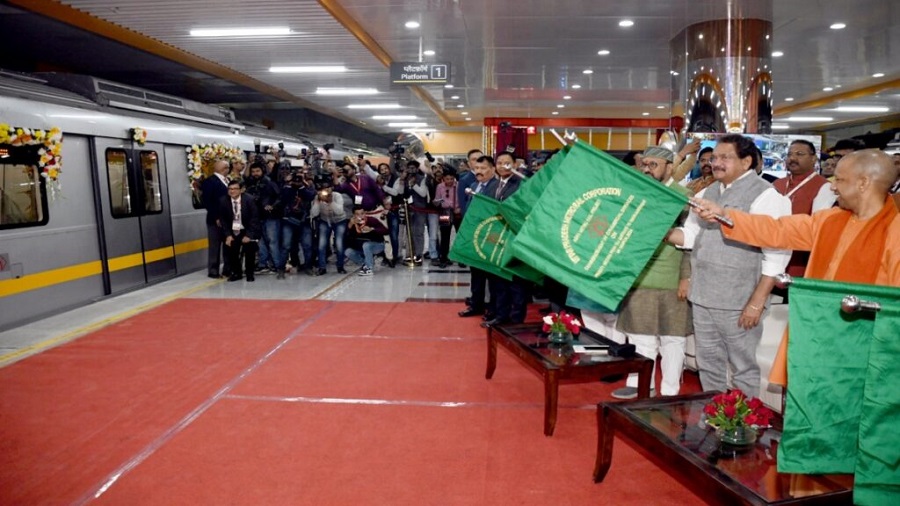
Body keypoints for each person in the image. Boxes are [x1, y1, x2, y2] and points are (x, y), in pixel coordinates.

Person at [691, 149, 900, 387]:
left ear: (863, 183)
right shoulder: (830, 220)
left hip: (866, 346)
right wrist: (725, 215)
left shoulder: (894, 231)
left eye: (840, 180)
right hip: (819, 331)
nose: (832, 187)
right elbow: (777, 230)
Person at [666, 134, 791, 397]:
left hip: (739, 299)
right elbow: (690, 237)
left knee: (742, 366)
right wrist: (661, 232)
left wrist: (757, 301)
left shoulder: (767, 196)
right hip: (703, 295)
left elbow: (777, 255)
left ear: (746, 162)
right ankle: (715, 416)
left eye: (725, 157)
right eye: (714, 158)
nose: (717, 163)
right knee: (708, 363)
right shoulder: (706, 191)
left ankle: (744, 425)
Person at [612, 146, 693, 399]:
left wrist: (686, 277)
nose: (646, 169)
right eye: (644, 164)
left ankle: (670, 392)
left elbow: (693, 243)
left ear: (670, 167)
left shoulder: (684, 197)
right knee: (639, 335)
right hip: (640, 276)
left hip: (672, 277)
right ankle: (639, 386)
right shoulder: (635, 194)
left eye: (653, 165)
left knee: (672, 339)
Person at [773, 140, 836, 279]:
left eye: (800, 154)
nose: (792, 158)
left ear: (814, 159)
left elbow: (817, 228)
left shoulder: (824, 187)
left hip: (799, 261)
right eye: (789, 154)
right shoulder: (777, 184)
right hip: (772, 253)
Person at [483, 151, 527, 327]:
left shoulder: (522, 184)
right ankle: (501, 315)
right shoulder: (491, 185)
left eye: (507, 163)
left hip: (514, 238)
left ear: (515, 165)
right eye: (499, 163)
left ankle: (517, 318)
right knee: (498, 280)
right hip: (496, 238)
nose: (503, 166)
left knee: (516, 281)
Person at [458, 155, 499, 318]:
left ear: (492, 169)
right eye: (477, 168)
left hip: (489, 236)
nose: (479, 171)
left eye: (483, 168)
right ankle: (476, 304)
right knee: (476, 273)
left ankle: (493, 307)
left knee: (491, 275)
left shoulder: (496, 187)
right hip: (474, 235)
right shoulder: (474, 185)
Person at [244, 160, 283, 278]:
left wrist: (272, 206)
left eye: (257, 171)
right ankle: (263, 264)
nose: (255, 173)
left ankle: (277, 265)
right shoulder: (250, 184)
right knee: (261, 242)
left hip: (270, 217)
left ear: (263, 171)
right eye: (253, 171)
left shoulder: (270, 183)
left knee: (272, 242)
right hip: (257, 217)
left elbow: (279, 197)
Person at [219, 180, 261, 282]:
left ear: (240, 190)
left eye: (235, 189)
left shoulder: (249, 199)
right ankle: (236, 273)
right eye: (230, 189)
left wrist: (249, 235)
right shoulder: (223, 201)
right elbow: (223, 220)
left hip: (247, 229)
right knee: (232, 251)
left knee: (249, 251)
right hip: (233, 229)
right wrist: (228, 235)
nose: (232, 191)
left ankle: (249, 273)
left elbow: (254, 218)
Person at [311, 180, 348, 275]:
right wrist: (318, 202)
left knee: (339, 244)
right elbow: (314, 213)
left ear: (331, 188)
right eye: (323, 189)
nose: (325, 191)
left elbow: (339, 211)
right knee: (321, 245)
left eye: (327, 188)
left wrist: (331, 202)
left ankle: (340, 266)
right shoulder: (318, 197)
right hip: (325, 221)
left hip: (339, 221)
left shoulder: (337, 196)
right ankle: (322, 267)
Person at [200, 159, 230, 278]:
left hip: (228, 219)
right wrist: (216, 217)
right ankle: (213, 270)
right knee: (215, 245)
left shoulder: (227, 181)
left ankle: (227, 269)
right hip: (215, 220)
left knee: (228, 244)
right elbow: (207, 201)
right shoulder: (210, 182)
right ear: (224, 169)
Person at [345, 205, 389, 276]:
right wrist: (350, 226)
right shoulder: (352, 223)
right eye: (357, 214)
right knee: (348, 252)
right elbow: (346, 236)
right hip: (360, 247)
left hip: (377, 244)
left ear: (365, 213)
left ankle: (369, 268)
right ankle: (366, 263)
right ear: (354, 215)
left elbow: (386, 230)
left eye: (362, 213)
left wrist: (372, 229)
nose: (360, 216)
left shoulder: (371, 220)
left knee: (366, 245)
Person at [434, 168, 459, 268]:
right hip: (445, 212)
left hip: (457, 212)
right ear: (443, 179)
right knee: (444, 236)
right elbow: (437, 199)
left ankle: (461, 258)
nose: (449, 181)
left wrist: (460, 208)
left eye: (451, 179)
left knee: (460, 235)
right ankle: (443, 258)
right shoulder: (440, 186)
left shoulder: (458, 186)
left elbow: (462, 198)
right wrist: (436, 202)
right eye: (447, 179)